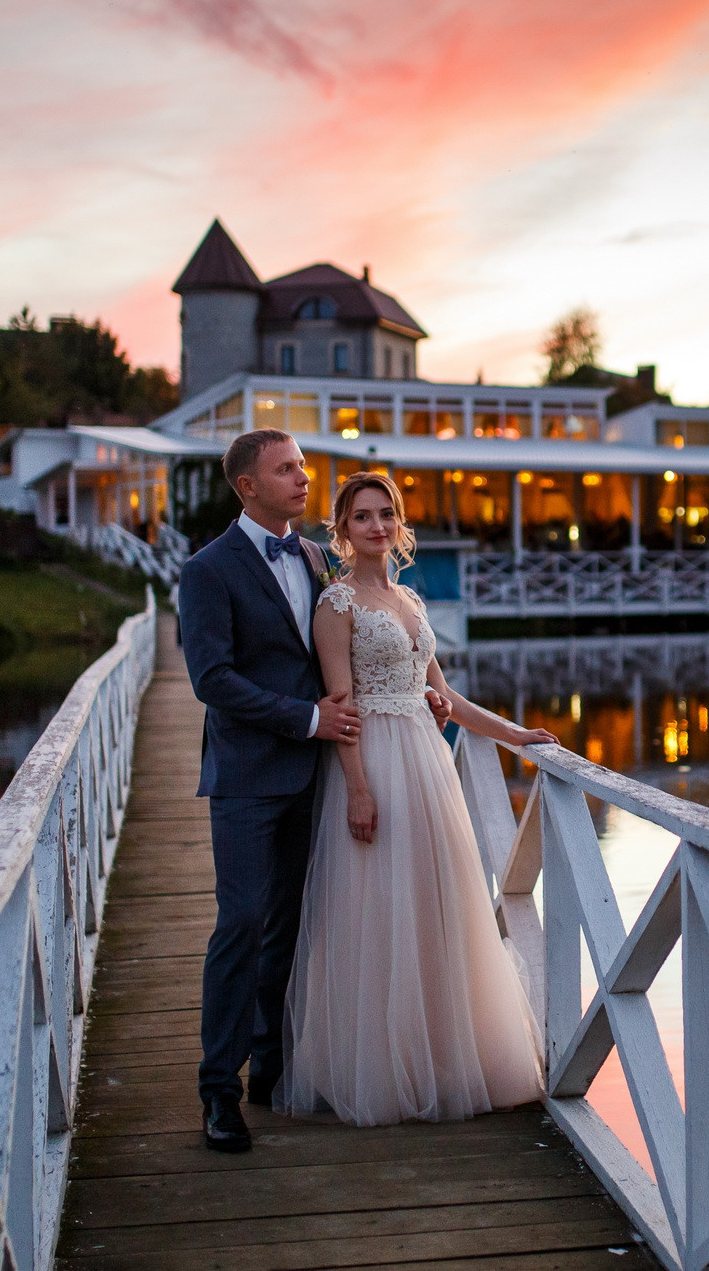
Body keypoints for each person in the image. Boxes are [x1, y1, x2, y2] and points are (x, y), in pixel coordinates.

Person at [280, 470, 555, 1125]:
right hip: (374, 761)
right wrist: (358, 790)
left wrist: (514, 734)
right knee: (381, 908)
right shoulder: (337, 604)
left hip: (429, 764)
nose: (376, 526)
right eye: (362, 516)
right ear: (343, 529)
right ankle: (381, 1070)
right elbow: (341, 705)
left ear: (399, 524)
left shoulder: (410, 600)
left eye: (386, 514)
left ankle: (445, 1057)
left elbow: (445, 694)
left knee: (439, 904)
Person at [177, 429, 364, 1153]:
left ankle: (272, 1066)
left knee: (291, 923)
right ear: (248, 485)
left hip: (315, 775)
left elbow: (341, 651)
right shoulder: (207, 570)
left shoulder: (318, 558)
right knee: (242, 923)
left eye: (304, 466)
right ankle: (218, 1092)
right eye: (287, 469)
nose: (304, 478)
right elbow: (212, 680)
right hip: (248, 776)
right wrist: (308, 719)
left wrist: (417, 693)